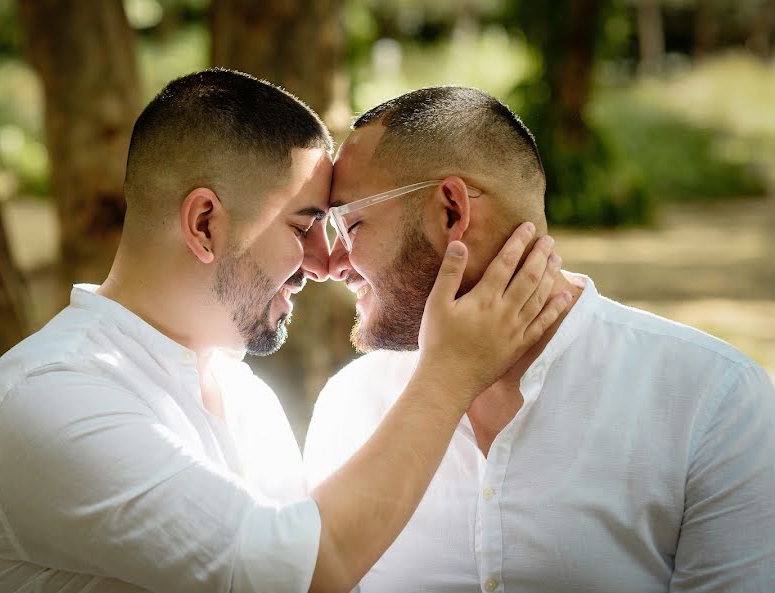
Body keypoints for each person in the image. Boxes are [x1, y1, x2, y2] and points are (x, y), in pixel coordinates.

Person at [0, 70, 569, 593]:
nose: (327, 264)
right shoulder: (51, 395)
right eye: (304, 228)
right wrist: (450, 372)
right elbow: (304, 569)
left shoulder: (248, 397)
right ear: (203, 224)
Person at [304, 86, 775, 593]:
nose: (332, 263)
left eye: (349, 226)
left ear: (451, 213)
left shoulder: (716, 400)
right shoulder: (348, 404)